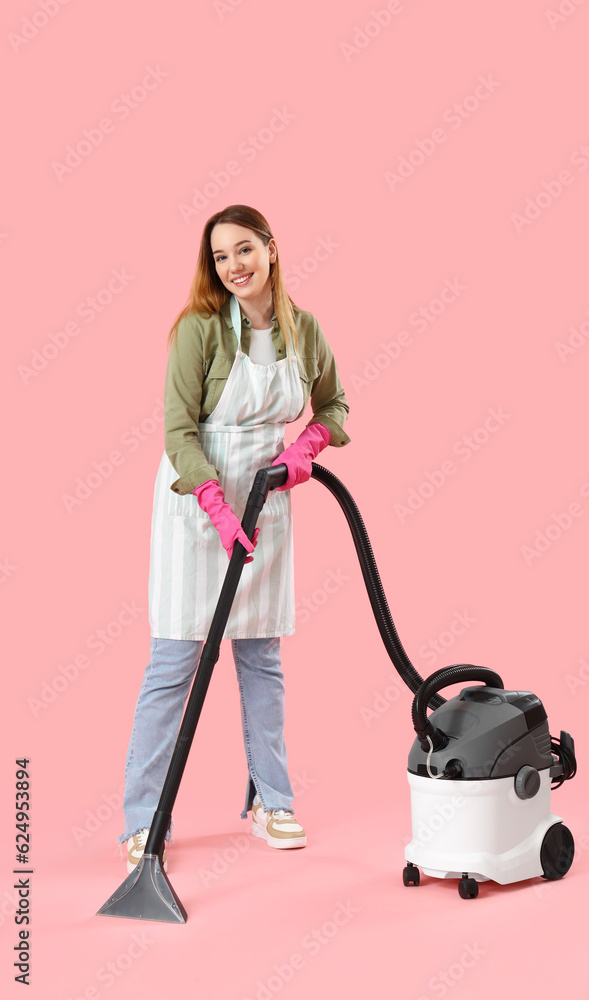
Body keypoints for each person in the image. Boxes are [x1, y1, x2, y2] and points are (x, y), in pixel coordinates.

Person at [118, 205, 350, 872]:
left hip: (266, 501)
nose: (234, 266)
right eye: (221, 257)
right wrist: (217, 508)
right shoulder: (197, 331)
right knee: (173, 664)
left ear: (271, 250)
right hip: (197, 504)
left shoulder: (303, 332)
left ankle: (271, 800)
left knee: (260, 659)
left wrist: (306, 446)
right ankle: (143, 818)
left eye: (244, 249)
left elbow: (334, 405)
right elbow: (177, 429)